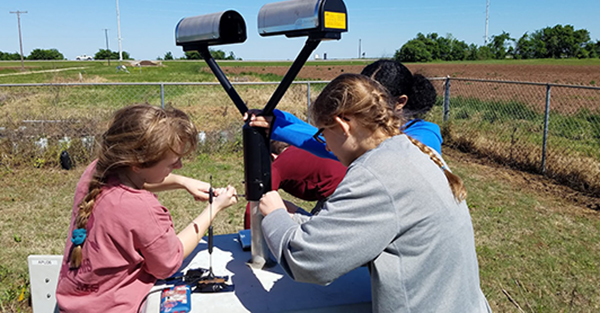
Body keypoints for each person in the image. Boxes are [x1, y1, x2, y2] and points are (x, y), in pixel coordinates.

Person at [259, 74, 491, 313]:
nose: (326, 146)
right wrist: (295, 215)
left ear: (342, 125)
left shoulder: (377, 173)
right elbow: (358, 231)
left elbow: (307, 261)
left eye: (322, 134)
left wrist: (275, 214)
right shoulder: (407, 152)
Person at [55, 104, 238, 313]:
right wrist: (213, 210)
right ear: (137, 163)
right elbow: (168, 262)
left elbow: (136, 178)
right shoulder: (141, 207)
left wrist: (182, 182)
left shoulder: (96, 170)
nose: (178, 166)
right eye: (172, 163)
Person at [246, 59, 442, 159]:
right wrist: (278, 120)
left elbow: (335, 143)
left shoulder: (426, 136)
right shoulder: (366, 133)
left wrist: (280, 126)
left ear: (400, 102)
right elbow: (328, 138)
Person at [243, 141, 347, 229]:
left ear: (272, 156)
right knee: (286, 207)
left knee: (311, 233)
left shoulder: (279, 164)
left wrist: (249, 237)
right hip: (350, 184)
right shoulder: (304, 149)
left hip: (336, 198)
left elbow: (255, 206)